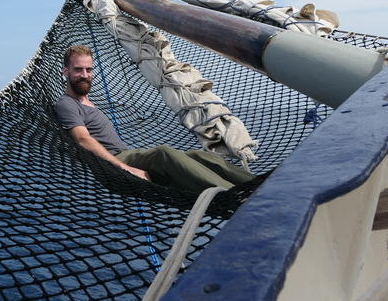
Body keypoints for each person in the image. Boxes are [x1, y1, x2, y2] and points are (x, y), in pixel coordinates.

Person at [54, 45, 256, 193]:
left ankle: (255, 183)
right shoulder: (67, 104)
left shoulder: (88, 101)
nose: (84, 75)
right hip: (116, 163)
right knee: (163, 153)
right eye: (78, 70)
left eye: (88, 70)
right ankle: (233, 194)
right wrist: (126, 169)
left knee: (199, 156)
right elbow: (82, 140)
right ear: (65, 72)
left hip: (128, 155)